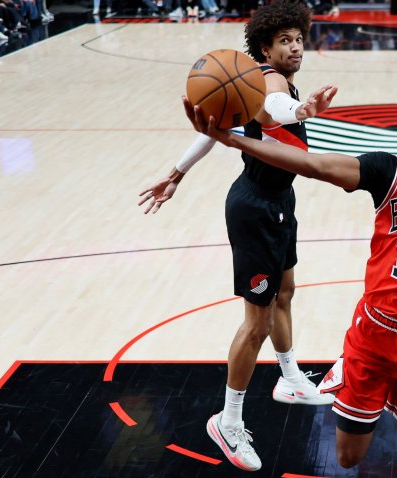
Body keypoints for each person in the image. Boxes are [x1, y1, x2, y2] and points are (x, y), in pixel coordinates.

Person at [185, 71, 397, 468]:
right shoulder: (387, 171)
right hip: (377, 333)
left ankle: (394, 397)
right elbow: (312, 164)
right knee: (345, 457)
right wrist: (233, 139)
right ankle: (361, 378)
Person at [139, 0, 335, 471]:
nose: (296, 47)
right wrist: (301, 108)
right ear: (265, 46)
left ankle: (288, 377)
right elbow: (271, 112)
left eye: (299, 39)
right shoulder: (267, 81)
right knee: (256, 324)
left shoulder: (251, 82)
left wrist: (176, 174)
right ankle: (227, 421)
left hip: (278, 203)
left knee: (286, 292)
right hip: (254, 210)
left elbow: (216, 128)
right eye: (285, 40)